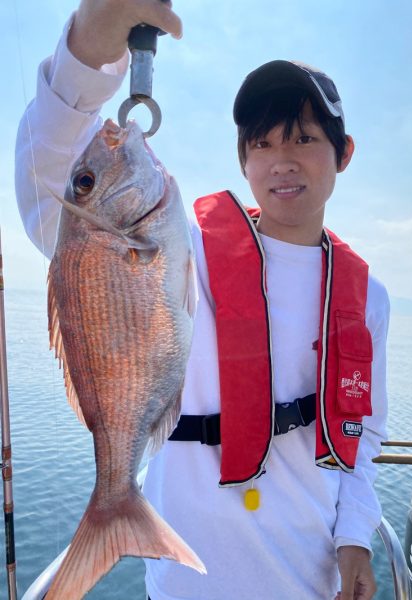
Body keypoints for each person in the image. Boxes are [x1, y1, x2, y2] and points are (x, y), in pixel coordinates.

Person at [15, 1, 390, 599]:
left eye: (305, 139)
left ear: (344, 154)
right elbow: (50, 188)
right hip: (188, 583)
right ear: (243, 161)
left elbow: (362, 433)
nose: (282, 159)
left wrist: (356, 538)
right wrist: (90, 49)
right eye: (262, 144)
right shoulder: (185, 254)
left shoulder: (366, 295)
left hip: (311, 579)